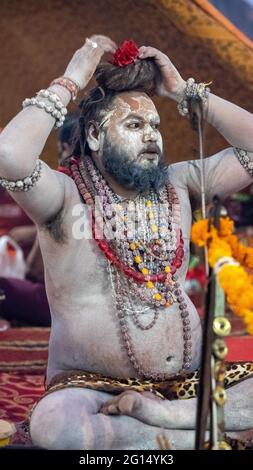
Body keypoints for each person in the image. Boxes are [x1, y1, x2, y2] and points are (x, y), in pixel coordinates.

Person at [0, 34, 252, 450]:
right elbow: (9, 156)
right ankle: (205, 434)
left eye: (154, 125)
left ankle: (164, 423)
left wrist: (185, 92)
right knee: (57, 427)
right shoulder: (66, 195)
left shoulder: (179, 182)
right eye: (134, 125)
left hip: (186, 384)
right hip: (90, 387)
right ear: (95, 137)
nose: (152, 135)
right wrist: (70, 79)